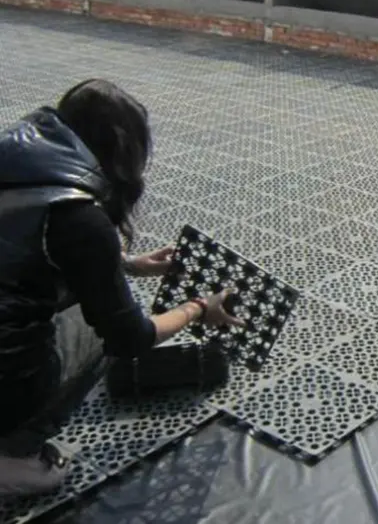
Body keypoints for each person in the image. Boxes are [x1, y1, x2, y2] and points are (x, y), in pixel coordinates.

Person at [0, 79, 243, 498]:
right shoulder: (78, 215)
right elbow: (131, 337)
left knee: (89, 303)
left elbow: (21, 250)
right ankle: (16, 454)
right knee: (101, 328)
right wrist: (199, 308)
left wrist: (126, 264)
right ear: (118, 146)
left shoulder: (20, 161)